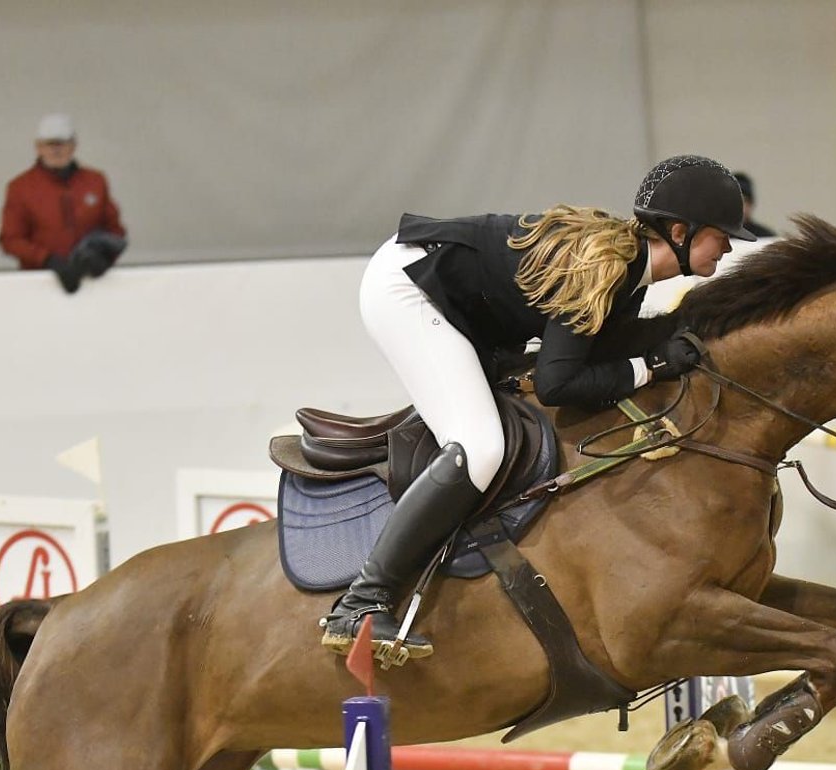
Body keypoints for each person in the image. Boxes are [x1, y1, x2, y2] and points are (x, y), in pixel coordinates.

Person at [318, 155, 755, 664]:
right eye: (720, 235)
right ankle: (362, 602)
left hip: (457, 298)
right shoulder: (604, 270)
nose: (728, 245)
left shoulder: (630, 271)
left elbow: (608, 347)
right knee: (481, 447)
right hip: (409, 288)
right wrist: (653, 365)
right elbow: (558, 383)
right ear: (679, 231)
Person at [0, 113, 127, 293]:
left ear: (74, 146)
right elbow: (10, 240)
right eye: (49, 144)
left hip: (93, 284)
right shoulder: (20, 187)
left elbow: (115, 231)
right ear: (38, 147)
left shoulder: (95, 181)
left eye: (62, 143)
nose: (56, 150)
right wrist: (49, 260)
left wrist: (104, 257)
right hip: (39, 284)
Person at [733, 172, 776, 238]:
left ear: (751, 204)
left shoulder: (766, 237)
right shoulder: (717, 237)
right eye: (734, 200)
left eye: (744, 201)